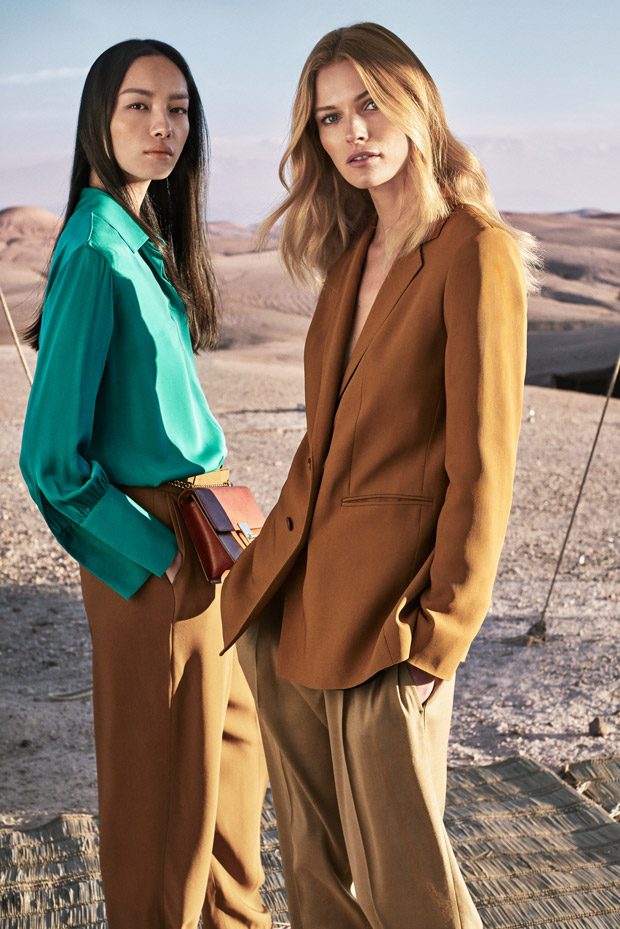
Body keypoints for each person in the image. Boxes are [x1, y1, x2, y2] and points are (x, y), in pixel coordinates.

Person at [220, 21, 538, 929]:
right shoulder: (349, 259)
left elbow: (483, 465)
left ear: (416, 103)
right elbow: (322, 446)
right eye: (329, 117)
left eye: (369, 104)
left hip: (394, 623)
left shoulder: (474, 250)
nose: (353, 131)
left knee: (410, 891)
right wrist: (257, 578)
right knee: (316, 882)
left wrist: (442, 634)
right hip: (293, 607)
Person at [19, 39, 270, 929]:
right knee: (165, 812)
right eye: (139, 105)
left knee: (230, 785)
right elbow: (51, 459)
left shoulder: (140, 236)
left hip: (207, 536)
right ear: (99, 115)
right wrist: (154, 554)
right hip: (159, 552)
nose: (163, 126)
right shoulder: (95, 248)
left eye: (179, 109)